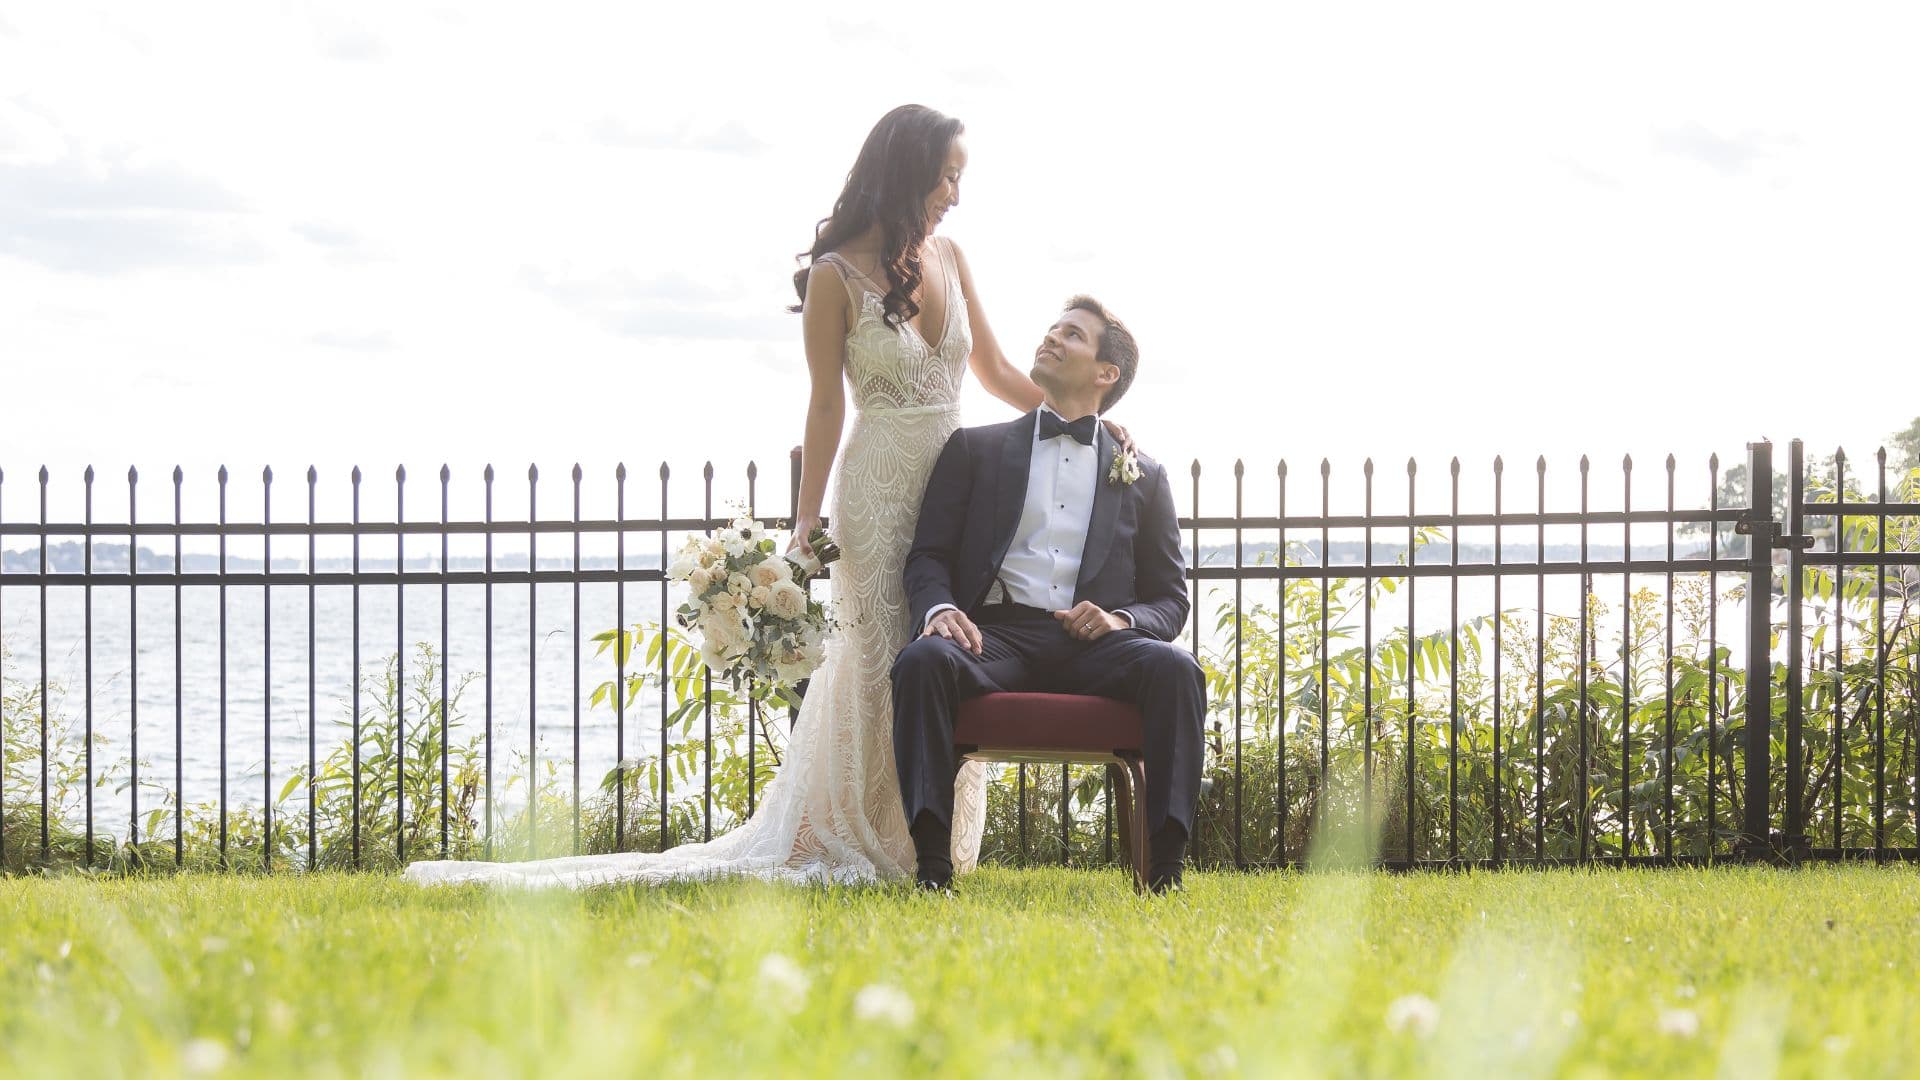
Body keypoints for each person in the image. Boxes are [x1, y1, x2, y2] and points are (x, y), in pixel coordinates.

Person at [405, 104, 1081, 886]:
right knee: (882, 655)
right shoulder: (834, 277)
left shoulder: (953, 257)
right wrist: (806, 519)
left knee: (946, 648)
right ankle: (865, 832)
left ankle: (927, 836)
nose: (956, 195)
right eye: (947, 176)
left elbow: (996, 374)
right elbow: (826, 405)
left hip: (961, 486)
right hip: (881, 488)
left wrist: (1084, 421)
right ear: (908, 171)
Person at [891, 297, 1204, 894]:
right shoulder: (973, 450)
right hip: (995, 635)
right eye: (1053, 329)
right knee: (923, 660)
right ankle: (933, 869)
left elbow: (1170, 600)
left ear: (1105, 373)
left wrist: (1118, 619)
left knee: (1177, 669)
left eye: (1073, 335)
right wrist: (941, 608)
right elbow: (928, 554)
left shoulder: (1147, 476)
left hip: (1094, 649)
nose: (1052, 338)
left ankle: (1165, 875)